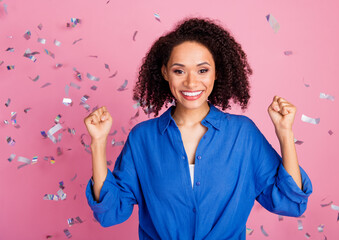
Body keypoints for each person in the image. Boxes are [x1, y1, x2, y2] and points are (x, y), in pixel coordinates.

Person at [84, 17, 313, 240]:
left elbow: (290, 203)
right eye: (179, 71)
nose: (191, 83)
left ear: (216, 72)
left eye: (202, 70)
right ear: (165, 73)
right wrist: (98, 143)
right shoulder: (142, 138)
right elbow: (112, 213)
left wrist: (285, 134)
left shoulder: (243, 135)